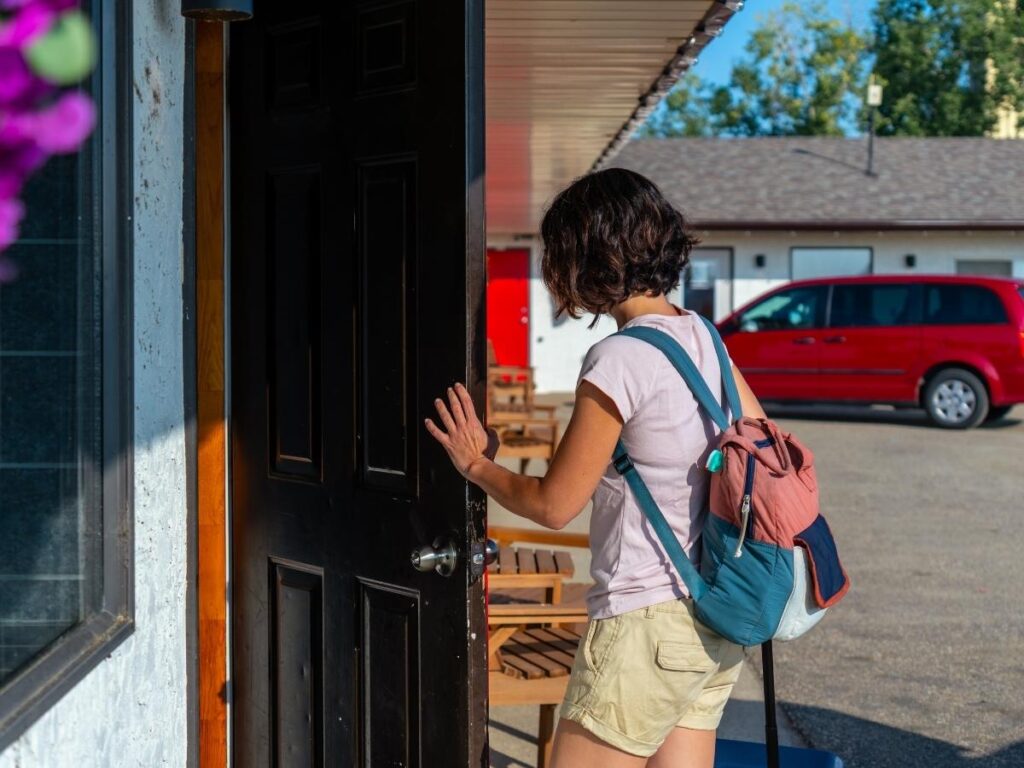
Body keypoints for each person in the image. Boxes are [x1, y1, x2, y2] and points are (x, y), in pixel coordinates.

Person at [425, 168, 766, 768]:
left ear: (587, 256)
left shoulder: (620, 357)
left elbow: (554, 505)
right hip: (715, 612)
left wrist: (475, 464)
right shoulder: (706, 338)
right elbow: (761, 448)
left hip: (644, 622)